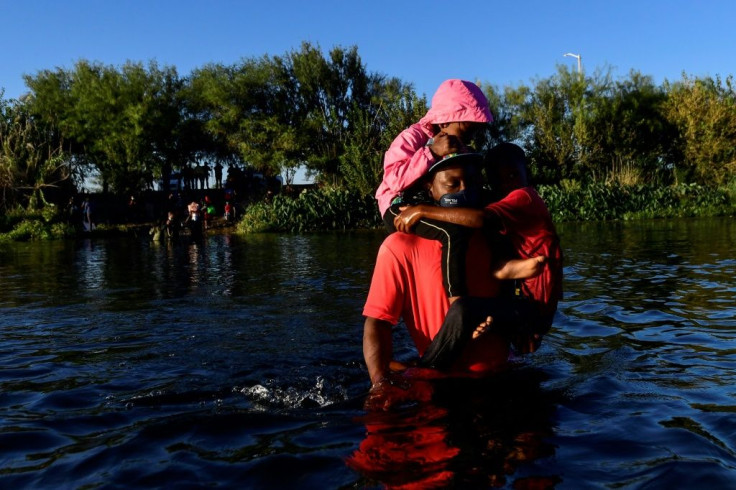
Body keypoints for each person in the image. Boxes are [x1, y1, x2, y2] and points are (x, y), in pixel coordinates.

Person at [393, 143, 563, 357]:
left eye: (513, 175)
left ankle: (429, 366)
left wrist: (422, 210)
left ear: (525, 174)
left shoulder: (523, 196)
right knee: (501, 325)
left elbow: (480, 219)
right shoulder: (508, 203)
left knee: (463, 310)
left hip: (532, 307)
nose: (506, 184)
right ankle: (495, 312)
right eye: (498, 180)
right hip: (524, 302)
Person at [363, 154, 511, 397]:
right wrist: (380, 383)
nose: (466, 191)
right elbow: (378, 322)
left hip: (502, 378)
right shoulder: (399, 246)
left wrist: (495, 315)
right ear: (429, 187)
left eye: (473, 183)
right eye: (452, 185)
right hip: (440, 382)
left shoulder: (494, 234)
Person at [375, 79, 493, 303]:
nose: (472, 134)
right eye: (468, 126)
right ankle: (457, 302)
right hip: (398, 206)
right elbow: (394, 180)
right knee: (452, 233)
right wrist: (431, 152)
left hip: (434, 203)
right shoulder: (412, 138)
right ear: (445, 121)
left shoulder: (459, 142)